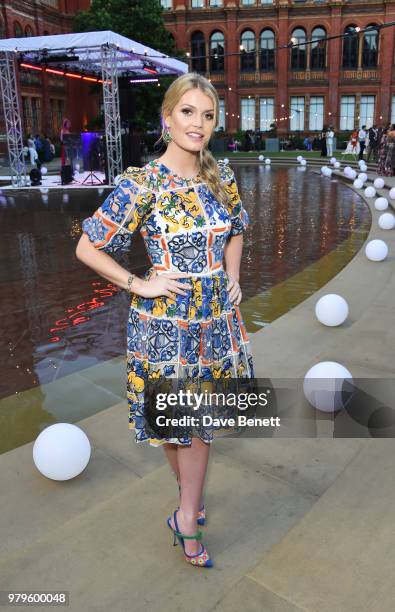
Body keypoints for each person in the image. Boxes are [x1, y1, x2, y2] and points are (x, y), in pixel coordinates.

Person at [75, 72, 255, 568]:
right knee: (180, 427)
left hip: (216, 323)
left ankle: (186, 508)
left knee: (196, 427)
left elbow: (237, 230)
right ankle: (188, 508)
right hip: (163, 328)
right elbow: (88, 246)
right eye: (188, 112)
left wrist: (232, 276)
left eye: (208, 114)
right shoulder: (142, 185)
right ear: (167, 117)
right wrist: (141, 283)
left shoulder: (221, 178)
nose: (198, 124)